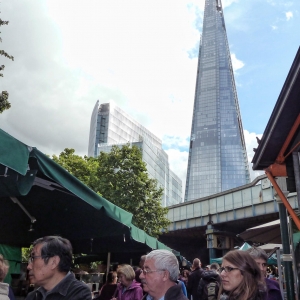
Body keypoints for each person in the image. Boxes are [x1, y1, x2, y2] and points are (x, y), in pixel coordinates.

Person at [25, 236, 91, 300]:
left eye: (33, 258)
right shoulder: (33, 296)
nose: (29, 266)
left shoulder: (79, 293)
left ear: (53, 262)